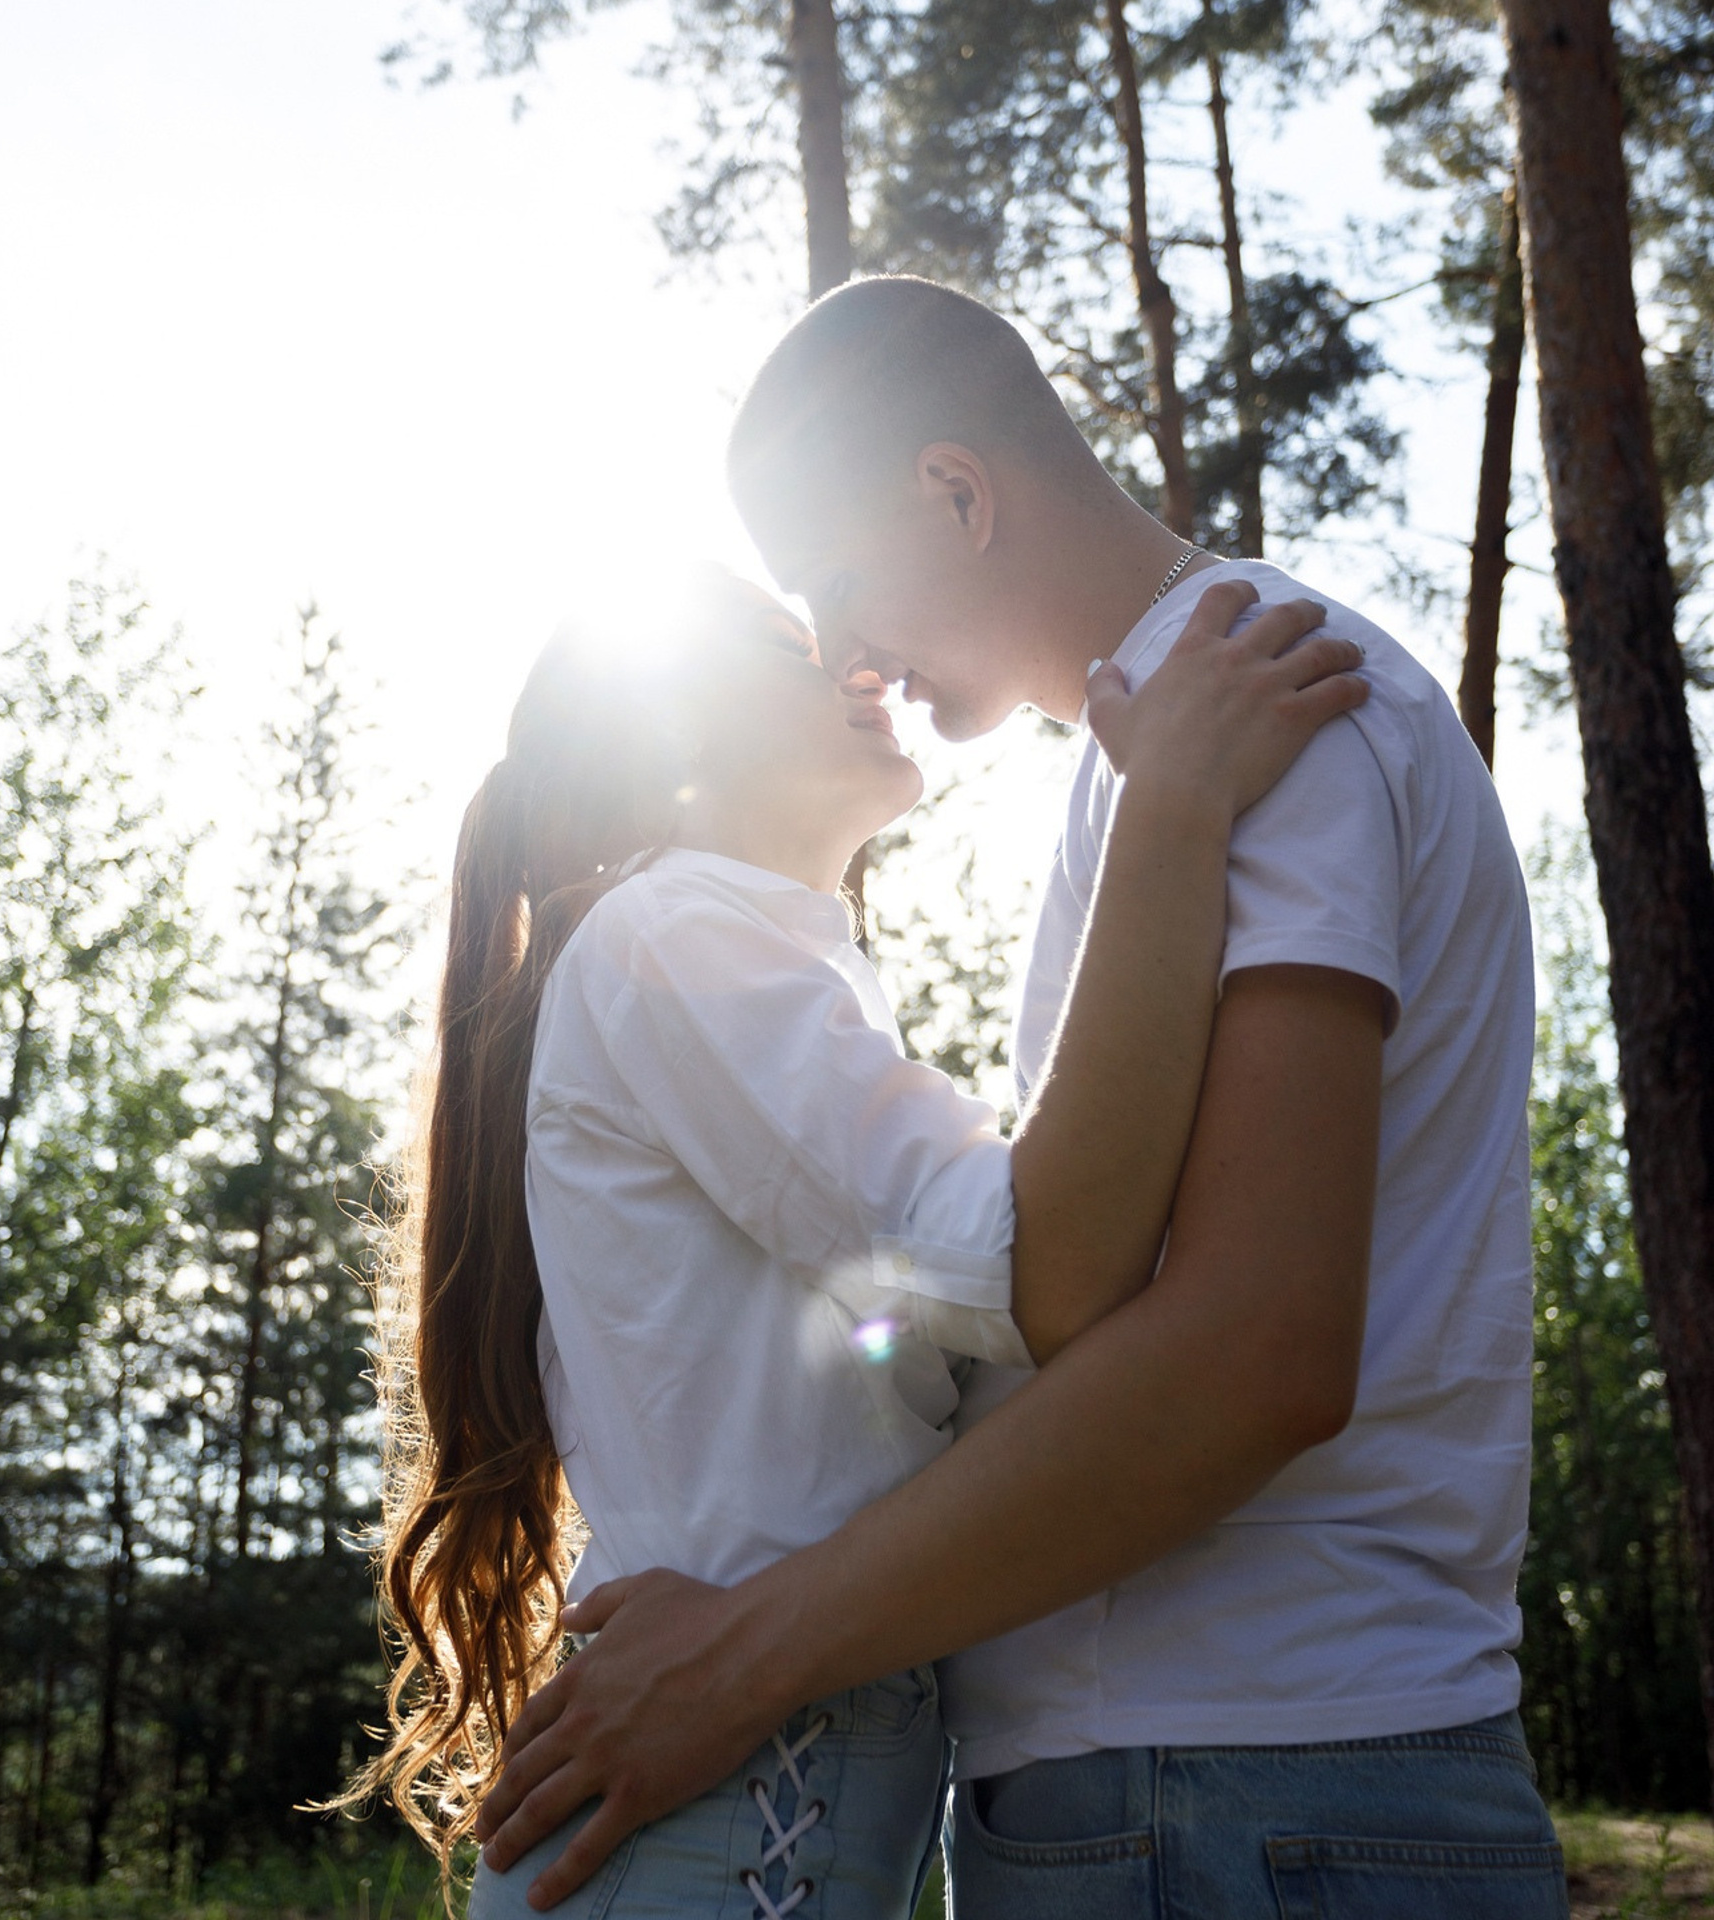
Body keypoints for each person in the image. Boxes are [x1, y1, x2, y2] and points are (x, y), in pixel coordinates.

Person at [473, 279, 1568, 1919]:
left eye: (832, 593)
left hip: (1230, 1790)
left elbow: (1238, 1345)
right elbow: (1045, 1267)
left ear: (958, 494)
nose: (850, 659)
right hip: (1187, 1795)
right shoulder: (1158, 759)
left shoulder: (1250, 702)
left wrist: (744, 1660)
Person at [350, 564, 1366, 1919]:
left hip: (747, 1813)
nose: (863, 663)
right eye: (793, 650)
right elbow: (1032, 1268)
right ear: (675, 738)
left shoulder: (736, 963)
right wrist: (1173, 801)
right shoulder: (670, 933)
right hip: (714, 1831)